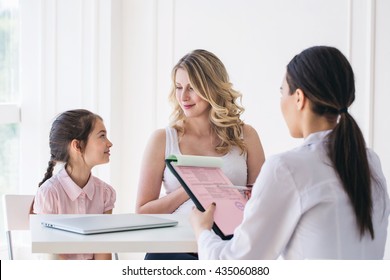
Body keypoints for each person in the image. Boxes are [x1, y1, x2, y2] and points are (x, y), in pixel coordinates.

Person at [190, 46, 390, 259]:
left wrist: (202, 230)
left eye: (281, 91)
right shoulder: (369, 161)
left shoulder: (286, 169)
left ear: (299, 98)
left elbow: (235, 266)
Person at [135, 49, 265, 259]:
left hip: (229, 250)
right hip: (173, 251)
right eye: (179, 87)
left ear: (212, 88)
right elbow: (142, 212)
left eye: (192, 88)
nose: (183, 96)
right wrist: (193, 188)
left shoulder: (246, 136)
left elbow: (261, 200)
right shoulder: (162, 140)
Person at [33, 109, 116, 260]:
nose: (109, 143)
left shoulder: (106, 193)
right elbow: (53, 258)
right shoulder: (50, 194)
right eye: (102, 136)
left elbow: (103, 254)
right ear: (77, 146)